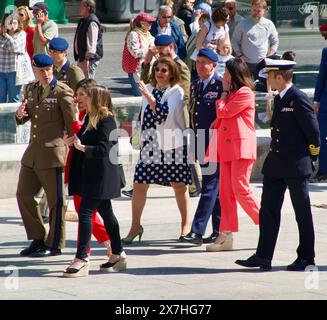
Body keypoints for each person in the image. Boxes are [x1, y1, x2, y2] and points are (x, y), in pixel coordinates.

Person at [235, 59, 320, 271]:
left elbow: (313, 132)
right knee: (268, 211)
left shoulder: (297, 98)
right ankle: (263, 255)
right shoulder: (280, 98)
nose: (267, 80)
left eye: (270, 76)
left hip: (295, 164)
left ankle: (306, 257)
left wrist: (311, 156)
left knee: (302, 213)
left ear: (279, 77)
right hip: (276, 164)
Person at [122, 56, 193, 244]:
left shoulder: (176, 91)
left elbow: (163, 116)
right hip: (149, 145)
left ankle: (186, 225)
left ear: (171, 74)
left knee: (179, 185)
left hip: (172, 145)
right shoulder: (150, 89)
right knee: (139, 185)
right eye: (157, 70)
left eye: (164, 70)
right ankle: (135, 226)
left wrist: (149, 97)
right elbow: (144, 117)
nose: (159, 74)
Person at [15, 54, 76, 258]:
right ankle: (38, 237)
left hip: (53, 155)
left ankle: (55, 243)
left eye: (49, 69)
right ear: (34, 70)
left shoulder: (62, 91)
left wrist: (73, 148)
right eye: (41, 70)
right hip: (33, 154)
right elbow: (27, 118)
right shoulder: (31, 89)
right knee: (23, 195)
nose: (46, 73)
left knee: (56, 202)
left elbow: (72, 125)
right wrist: (20, 114)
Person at [63, 85, 126, 277]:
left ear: (97, 99)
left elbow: (104, 149)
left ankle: (82, 258)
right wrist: (73, 140)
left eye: (87, 96)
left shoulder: (107, 120)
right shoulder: (91, 118)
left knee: (85, 212)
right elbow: (83, 137)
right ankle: (118, 253)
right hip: (93, 175)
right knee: (107, 213)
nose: (83, 99)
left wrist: (82, 147)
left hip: (102, 176)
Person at [205, 58, 260, 252]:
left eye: (226, 72)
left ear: (234, 74)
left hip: (241, 148)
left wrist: (223, 94)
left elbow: (225, 112)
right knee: (226, 193)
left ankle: (266, 222)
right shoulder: (234, 93)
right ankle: (225, 235)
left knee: (240, 189)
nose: (224, 76)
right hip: (227, 149)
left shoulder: (245, 92)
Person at [66, 79, 112, 257]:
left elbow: (89, 142)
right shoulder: (85, 114)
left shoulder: (98, 117)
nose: (78, 99)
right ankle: (111, 245)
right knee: (89, 212)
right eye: (77, 95)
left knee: (86, 213)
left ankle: (89, 251)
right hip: (80, 167)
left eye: (82, 95)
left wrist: (76, 123)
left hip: (91, 171)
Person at [182, 48, 223, 245]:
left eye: (204, 62)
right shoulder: (196, 84)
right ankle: (218, 230)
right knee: (214, 188)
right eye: (197, 62)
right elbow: (194, 116)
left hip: (215, 142)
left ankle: (197, 231)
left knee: (210, 186)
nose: (199, 66)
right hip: (200, 140)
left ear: (213, 65)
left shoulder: (221, 85)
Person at [232, 0, 279, 79]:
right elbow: (234, 40)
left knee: (262, 88)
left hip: (263, 63)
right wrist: (240, 55)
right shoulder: (242, 24)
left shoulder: (269, 24)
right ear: (251, 9)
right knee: (246, 88)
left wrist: (269, 56)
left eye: (259, 11)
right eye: (254, 10)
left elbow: (275, 42)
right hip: (245, 63)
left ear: (264, 11)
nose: (256, 12)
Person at [123, 12, 155, 96]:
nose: (151, 24)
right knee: (140, 96)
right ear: (142, 23)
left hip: (149, 70)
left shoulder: (148, 34)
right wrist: (150, 50)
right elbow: (135, 53)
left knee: (148, 96)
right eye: (149, 22)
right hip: (137, 71)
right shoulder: (133, 34)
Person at [73, 0, 103, 79]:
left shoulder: (92, 22)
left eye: (81, 6)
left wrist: (87, 59)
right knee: (82, 80)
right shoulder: (84, 20)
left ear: (88, 8)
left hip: (88, 59)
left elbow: (92, 42)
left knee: (88, 82)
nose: (79, 8)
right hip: (83, 57)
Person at [0, 14, 26, 103]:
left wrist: (6, 36)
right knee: (0, 99)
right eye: (9, 23)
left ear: (19, 24)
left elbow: (14, 47)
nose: (12, 25)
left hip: (14, 72)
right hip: (1, 71)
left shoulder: (21, 34)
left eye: (14, 22)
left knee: (14, 99)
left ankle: (14, 117)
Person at [312, 47, 327, 182]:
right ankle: (323, 171)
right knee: (322, 137)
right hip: (325, 102)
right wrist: (316, 99)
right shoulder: (326, 51)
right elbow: (322, 76)